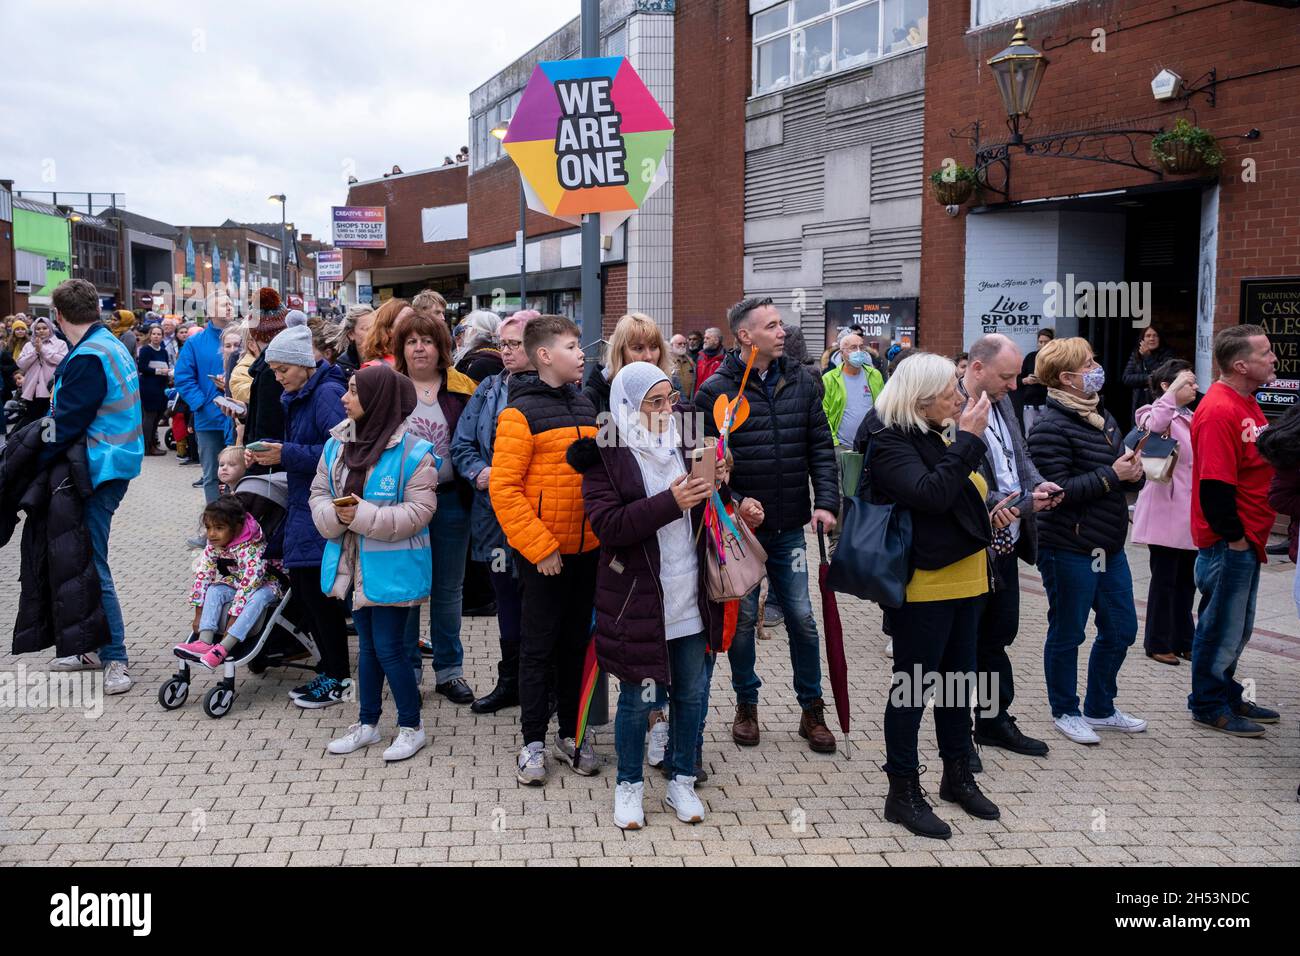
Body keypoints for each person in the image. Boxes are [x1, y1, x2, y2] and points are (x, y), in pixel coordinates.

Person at [568, 362, 722, 829]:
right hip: (637, 595)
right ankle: (629, 785)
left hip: (689, 587)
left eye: (670, 398)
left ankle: (681, 779)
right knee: (638, 697)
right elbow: (609, 527)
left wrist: (722, 486)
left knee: (691, 693)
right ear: (628, 407)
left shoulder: (685, 439)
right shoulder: (605, 454)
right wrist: (669, 503)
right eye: (653, 403)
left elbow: (706, 505)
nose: (665, 410)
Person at [856, 352, 1001, 840]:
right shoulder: (888, 439)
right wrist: (969, 442)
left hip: (968, 580)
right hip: (924, 586)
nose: (960, 399)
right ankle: (902, 791)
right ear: (920, 398)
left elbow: (963, 493)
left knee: (959, 683)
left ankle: (957, 775)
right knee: (913, 688)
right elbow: (931, 494)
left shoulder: (943, 433)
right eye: (950, 392)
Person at [695, 297, 839, 752]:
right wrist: (735, 502)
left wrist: (827, 503)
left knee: (801, 617)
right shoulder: (715, 390)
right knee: (739, 626)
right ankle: (746, 705)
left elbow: (821, 446)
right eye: (772, 325)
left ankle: (812, 709)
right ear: (744, 336)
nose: (782, 331)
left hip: (791, 526)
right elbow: (702, 465)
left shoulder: (802, 382)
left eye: (782, 324)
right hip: (739, 533)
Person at [490, 315, 601, 786]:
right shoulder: (518, 414)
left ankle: (572, 733)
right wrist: (539, 547)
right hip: (544, 556)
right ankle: (532, 740)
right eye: (572, 346)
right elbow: (504, 489)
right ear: (543, 356)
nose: (581, 353)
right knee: (538, 649)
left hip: (587, 550)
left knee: (577, 645)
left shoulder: (586, 404)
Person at [311, 364, 439, 762]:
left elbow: (420, 512)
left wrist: (362, 516)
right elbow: (317, 493)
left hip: (392, 571)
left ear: (377, 400)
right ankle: (367, 724)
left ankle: (411, 727)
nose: (344, 399)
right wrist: (335, 515)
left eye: (353, 391)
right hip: (354, 568)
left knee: (388, 649)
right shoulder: (336, 445)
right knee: (368, 648)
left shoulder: (415, 453)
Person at [1028, 337, 1147, 745]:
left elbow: (1121, 471)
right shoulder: (1049, 427)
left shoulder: (1101, 414)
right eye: (1089, 362)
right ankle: (1065, 709)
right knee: (1069, 631)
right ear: (1067, 378)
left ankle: (1101, 707)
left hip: (1110, 544)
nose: (1097, 367)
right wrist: (1114, 475)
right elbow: (1054, 491)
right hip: (1069, 546)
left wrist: (1135, 471)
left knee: (1121, 629)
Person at [956, 334, 1059, 760]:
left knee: (998, 636)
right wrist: (1014, 502)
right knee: (962, 646)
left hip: (1007, 546)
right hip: (969, 549)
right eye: (1007, 376)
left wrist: (1037, 486)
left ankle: (995, 721)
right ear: (975, 368)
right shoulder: (948, 408)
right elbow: (958, 482)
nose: (1015, 386)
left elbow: (1019, 459)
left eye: (1016, 377)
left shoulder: (1001, 401)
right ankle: (958, 736)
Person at [43, 279, 144, 695]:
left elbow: (65, 422)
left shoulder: (87, 356)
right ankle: (90, 648)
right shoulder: (109, 344)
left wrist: (35, 449)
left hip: (98, 468)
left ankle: (115, 656)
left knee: (90, 561)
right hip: (113, 463)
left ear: (59, 316)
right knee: (84, 559)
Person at [245, 323, 350, 708]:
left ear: (304, 364)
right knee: (309, 593)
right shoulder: (305, 392)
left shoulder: (325, 394)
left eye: (282, 369)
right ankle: (331, 670)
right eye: (273, 370)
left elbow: (339, 452)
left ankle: (338, 677)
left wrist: (284, 454)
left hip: (320, 509)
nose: (277, 377)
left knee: (320, 597)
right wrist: (274, 453)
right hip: (307, 506)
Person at [1188, 325, 1280, 736]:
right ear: (1241, 365)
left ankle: (1226, 691)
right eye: (1266, 353)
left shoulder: (1246, 401)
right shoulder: (1219, 409)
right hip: (1231, 543)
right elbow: (1214, 485)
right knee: (1220, 626)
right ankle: (1208, 704)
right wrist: (1235, 537)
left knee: (1237, 626)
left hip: (1248, 540)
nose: (1274, 359)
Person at [451, 310, 535, 714]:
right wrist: (478, 471)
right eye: (503, 343)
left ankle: (541, 683)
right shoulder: (487, 389)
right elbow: (461, 443)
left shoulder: (558, 390)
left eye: (515, 344)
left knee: (539, 599)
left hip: (539, 516)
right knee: (505, 598)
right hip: (494, 515)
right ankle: (510, 680)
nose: (506, 351)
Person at [393, 307, 478, 704]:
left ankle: (449, 670)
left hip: (451, 502)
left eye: (427, 340)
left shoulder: (463, 387)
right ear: (401, 348)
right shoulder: (390, 387)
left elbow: (476, 440)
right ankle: (408, 667)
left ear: (441, 346)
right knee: (408, 589)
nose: (420, 348)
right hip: (403, 503)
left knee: (448, 589)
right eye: (411, 341)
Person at [1131, 360, 1198, 665]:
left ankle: (1185, 639)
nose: (1194, 387)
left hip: (1191, 511)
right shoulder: (1151, 411)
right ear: (1166, 387)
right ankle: (1157, 641)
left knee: (1188, 580)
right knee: (1165, 580)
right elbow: (1155, 427)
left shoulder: (1194, 416)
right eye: (1188, 382)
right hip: (1165, 508)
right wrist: (1169, 397)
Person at [176, 495, 282, 669]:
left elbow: (248, 588)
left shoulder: (252, 548)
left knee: (258, 598)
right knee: (215, 589)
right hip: (239, 578)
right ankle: (204, 641)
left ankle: (224, 647)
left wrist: (233, 619)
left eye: (219, 528)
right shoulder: (214, 544)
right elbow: (204, 575)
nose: (211, 534)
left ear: (237, 528)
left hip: (267, 582)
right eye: (208, 528)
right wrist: (198, 615)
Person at [174, 291, 234, 503]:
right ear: (209, 312)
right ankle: (214, 526)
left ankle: (241, 528)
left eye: (229, 303)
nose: (228, 307)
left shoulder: (243, 337)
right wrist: (201, 403)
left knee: (238, 475)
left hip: (238, 418)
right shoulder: (195, 342)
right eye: (222, 304)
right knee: (212, 475)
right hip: (208, 419)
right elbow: (182, 377)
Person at [583, 312, 671, 417]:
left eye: (654, 347)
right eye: (638, 348)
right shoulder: (593, 397)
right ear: (620, 352)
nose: (648, 356)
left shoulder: (669, 392)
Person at [822, 329, 884, 448]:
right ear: (842, 353)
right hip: (842, 447)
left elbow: (883, 408)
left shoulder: (875, 375)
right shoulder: (829, 379)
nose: (859, 351)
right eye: (853, 347)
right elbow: (824, 414)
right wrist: (835, 444)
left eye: (861, 347)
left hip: (871, 446)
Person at [16, 316, 68, 429]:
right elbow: (21, 363)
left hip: (51, 389)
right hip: (32, 389)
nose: (41, 331)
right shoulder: (29, 345)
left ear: (50, 328)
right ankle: (31, 444)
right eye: (38, 329)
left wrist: (43, 350)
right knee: (32, 419)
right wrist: (35, 351)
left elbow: (63, 361)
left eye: (44, 328)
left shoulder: (60, 344)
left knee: (49, 420)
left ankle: (47, 443)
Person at [136, 323, 170, 455]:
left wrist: (167, 374)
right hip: (149, 388)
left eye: (159, 334)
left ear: (162, 337)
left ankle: (153, 443)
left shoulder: (164, 352)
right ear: (150, 336)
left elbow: (166, 366)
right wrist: (159, 371)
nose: (156, 336)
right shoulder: (145, 350)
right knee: (149, 417)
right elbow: (142, 368)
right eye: (154, 334)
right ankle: (147, 446)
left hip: (161, 388)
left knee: (157, 418)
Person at [1015, 327, 1053, 436]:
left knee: (1047, 434)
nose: (1043, 345)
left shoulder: (1055, 359)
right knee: (1030, 434)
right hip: (1029, 403)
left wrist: (1044, 381)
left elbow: (1060, 380)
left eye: (1046, 342)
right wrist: (1026, 380)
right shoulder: (1031, 357)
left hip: (1048, 403)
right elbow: (1017, 379)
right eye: (1040, 342)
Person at [453, 309, 503, 383]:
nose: (464, 332)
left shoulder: (481, 363)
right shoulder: (492, 355)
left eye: (467, 327)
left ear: (476, 331)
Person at [361, 297, 414, 365]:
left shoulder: (420, 363)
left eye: (414, 319)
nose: (413, 325)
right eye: (405, 321)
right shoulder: (375, 368)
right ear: (388, 331)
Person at [331, 304, 374, 377]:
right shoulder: (342, 366)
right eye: (366, 328)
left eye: (375, 327)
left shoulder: (388, 361)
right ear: (351, 334)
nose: (373, 332)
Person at [693, 326, 725, 396]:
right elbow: (695, 382)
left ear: (716, 340)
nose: (704, 340)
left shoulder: (725, 359)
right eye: (704, 338)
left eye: (707, 338)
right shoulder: (700, 357)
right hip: (698, 399)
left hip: (715, 400)